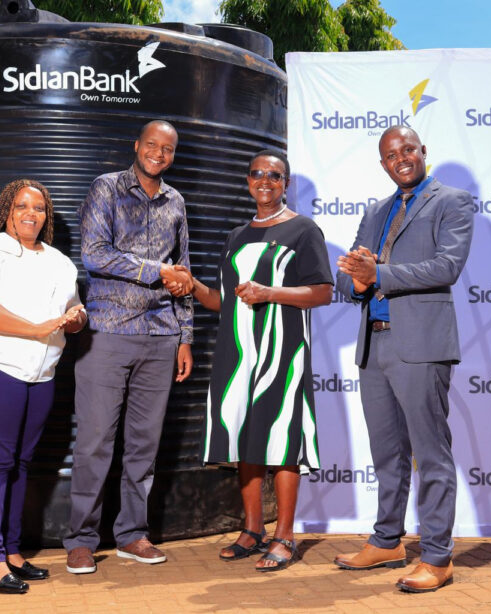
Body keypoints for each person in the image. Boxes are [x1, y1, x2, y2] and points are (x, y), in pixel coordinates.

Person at [167, 150, 333, 571]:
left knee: (281, 439)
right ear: (247, 181)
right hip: (237, 351)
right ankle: (253, 529)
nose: (265, 181)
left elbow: (322, 292)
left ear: (285, 184)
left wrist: (270, 293)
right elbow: (223, 301)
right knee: (244, 437)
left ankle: (286, 536)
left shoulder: (303, 230)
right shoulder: (237, 234)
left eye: (274, 176)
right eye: (257, 174)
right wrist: (193, 286)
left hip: (283, 349)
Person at [334, 126, 474, 592]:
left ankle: (437, 557)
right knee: (386, 454)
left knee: (430, 454)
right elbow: (353, 278)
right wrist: (355, 280)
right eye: (392, 155)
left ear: (423, 152)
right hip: (374, 344)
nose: (401, 159)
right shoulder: (376, 210)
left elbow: (446, 267)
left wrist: (380, 273)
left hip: (421, 345)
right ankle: (388, 540)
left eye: (408, 150)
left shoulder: (452, 201)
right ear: (383, 164)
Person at [63, 120, 194, 574]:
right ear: (136, 146)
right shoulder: (106, 188)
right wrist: (156, 272)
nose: (159, 153)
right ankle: (81, 539)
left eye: (168, 148)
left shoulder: (176, 201)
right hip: (107, 332)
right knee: (96, 442)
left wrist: (185, 337)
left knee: (144, 445)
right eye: (152, 145)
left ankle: (132, 535)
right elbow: (95, 254)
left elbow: (185, 274)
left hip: (161, 336)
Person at [0, 179, 86, 594]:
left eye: (40, 207)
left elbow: (71, 310)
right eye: (22, 205)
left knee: (21, 462)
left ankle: (11, 550)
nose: (31, 213)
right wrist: (35, 329)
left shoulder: (60, 262)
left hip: (40, 374)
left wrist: (77, 318)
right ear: (7, 211)